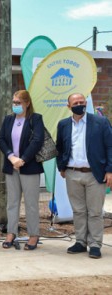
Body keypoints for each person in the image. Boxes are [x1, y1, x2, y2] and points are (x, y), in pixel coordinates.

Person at [56, 93, 112, 259]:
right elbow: (60, 146)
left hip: (95, 174)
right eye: (76, 102)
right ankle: (80, 241)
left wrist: (109, 170)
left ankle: (95, 244)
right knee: (78, 211)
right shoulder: (63, 124)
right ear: (69, 106)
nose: (80, 104)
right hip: (72, 173)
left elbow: (110, 146)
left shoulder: (100, 122)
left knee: (95, 212)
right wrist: (62, 166)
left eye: (82, 101)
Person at [0, 90, 44, 251]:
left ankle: (33, 235)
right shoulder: (9, 119)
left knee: (31, 204)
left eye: (18, 102)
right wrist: (11, 157)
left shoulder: (35, 119)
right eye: (14, 102)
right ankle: (11, 232)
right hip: (12, 166)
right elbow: (1, 139)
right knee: (12, 202)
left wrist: (22, 159)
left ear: (27, 103)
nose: (15, 105)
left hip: (29, 167)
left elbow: (37, 141)